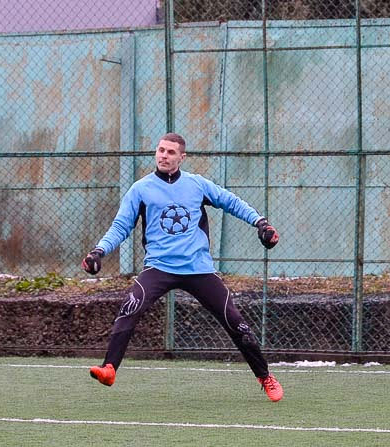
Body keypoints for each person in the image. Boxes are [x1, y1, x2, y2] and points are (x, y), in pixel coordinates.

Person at [81, 132, 284, 402]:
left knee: (235, 321)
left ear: (182, 157)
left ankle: (265, 376)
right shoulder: (141, 189)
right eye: (161, 150)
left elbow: (231, 202)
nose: (164, 155)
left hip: (198, 269)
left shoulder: (197, 185)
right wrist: (99, 251)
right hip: (159, 267)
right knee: (129, 308)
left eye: (170, 152)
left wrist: (261, 223)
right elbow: (121, 226)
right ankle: (109, 369)